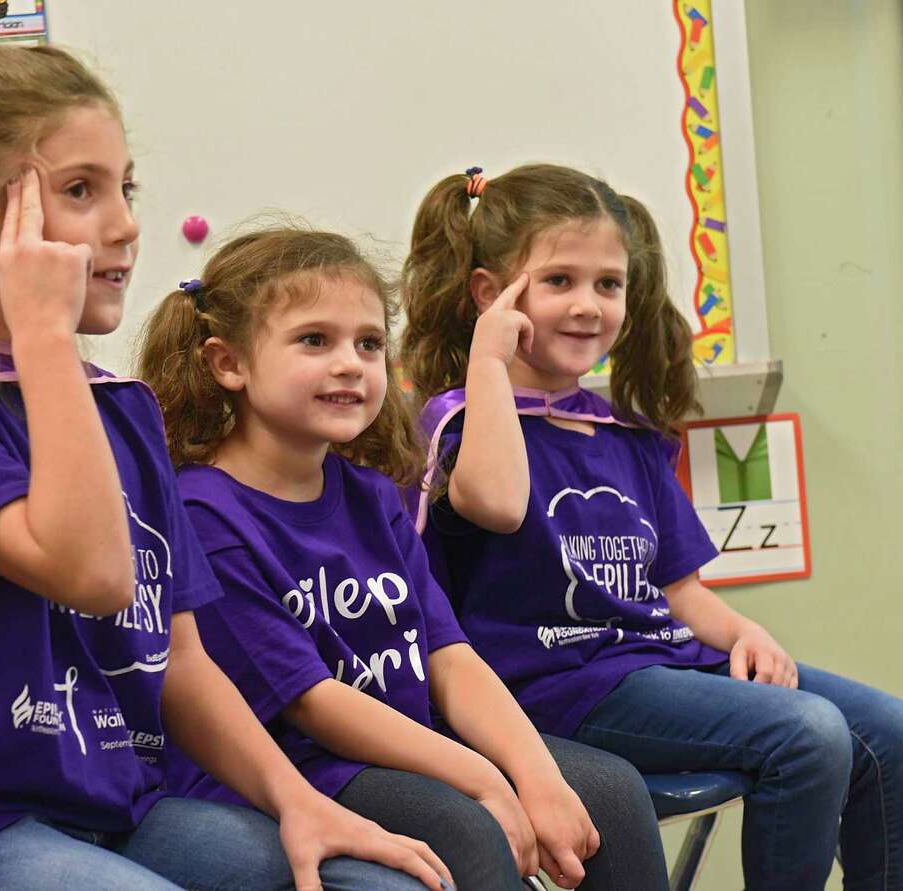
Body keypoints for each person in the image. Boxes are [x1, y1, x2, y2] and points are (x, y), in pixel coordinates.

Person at [0, 44, 454, 891]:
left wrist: (296, 798)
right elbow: (97, 573)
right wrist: (40, 334)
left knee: (384, 884)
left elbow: (180, 661)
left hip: (114, 807)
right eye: (80, 191)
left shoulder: (123, 410)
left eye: (126, 187)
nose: (125, 223)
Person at [401, 163, 903, 891]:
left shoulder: (625, 433)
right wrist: (489, 359)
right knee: (808, 734)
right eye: (558, 281)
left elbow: (679, 587)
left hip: (656, 661)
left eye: (609, 284)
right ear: (492, 295)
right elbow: (500, 504)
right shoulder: (462, 422)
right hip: (558, 685)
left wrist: (742, 633)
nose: (589, 305)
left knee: (885, 730)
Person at [137, 226, 671, 891]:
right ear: (229, 363)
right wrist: (483, 777)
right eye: (314, 340)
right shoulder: (204, 513)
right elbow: (313, 703)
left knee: (612, 791)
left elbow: (449, 657)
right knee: (467, 821)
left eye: (368, 343)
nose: (349, 363)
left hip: (407, 742)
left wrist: (532, 770)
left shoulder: (370, 496)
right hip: (299, 766)